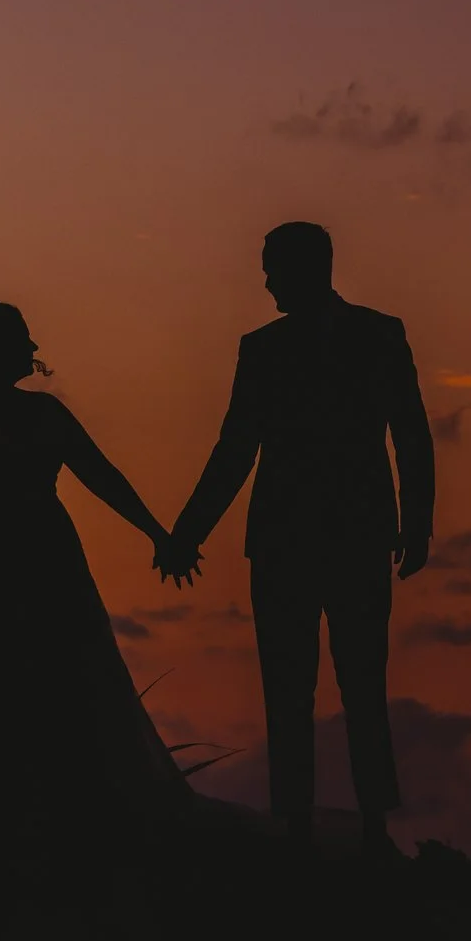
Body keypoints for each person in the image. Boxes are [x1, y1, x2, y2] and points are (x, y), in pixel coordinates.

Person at [161, 223, 434, 855]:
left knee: (362, 681)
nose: (265, 281)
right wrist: (186, 533)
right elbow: (235, 449)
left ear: (306, 268)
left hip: (351, 533)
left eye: (272, 268)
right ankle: (299, 825)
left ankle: (370, 825)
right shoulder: (264, 348)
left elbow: (410, 433)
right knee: (288, 686)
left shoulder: (378, 334)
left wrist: (416, 523)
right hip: (294, 538)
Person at [0, 301, 195, 828]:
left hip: (45, 561)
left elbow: (102, 477)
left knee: (63, 671)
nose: (32, 351)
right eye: (20, 341)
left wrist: (157, 534)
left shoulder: (40, 413)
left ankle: (62, 803)